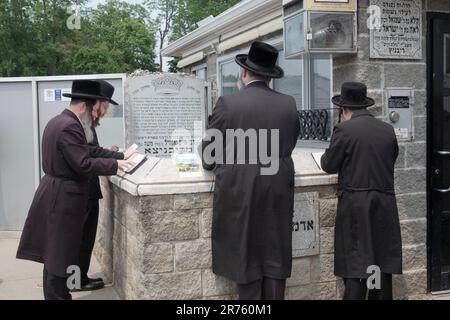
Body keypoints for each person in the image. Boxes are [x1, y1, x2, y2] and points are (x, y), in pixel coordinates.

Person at [16, 80, 134, 300]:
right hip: (63, 198)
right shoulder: (70, 126)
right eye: (101, 107)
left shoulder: (58, 121)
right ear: (87, 105)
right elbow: (83, 164)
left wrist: (114, 158)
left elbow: (83, 156)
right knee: (59, 256)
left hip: (58, 193)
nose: (103, 113)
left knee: (57, 254)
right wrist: (116, 164)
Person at [201, 41, 300, 300]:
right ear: (269, 76)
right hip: (277, 188)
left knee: (246, 259)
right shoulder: (288, 104)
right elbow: (289, 144)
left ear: (245, 73)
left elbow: (208, 156)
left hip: (241, 190)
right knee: (275, 255)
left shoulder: (228, 103)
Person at [321, 82, 402, 300]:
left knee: (357, 267)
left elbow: (328, 164)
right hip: (384, 207)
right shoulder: (387, 130)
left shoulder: (343, 130)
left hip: (356, 207)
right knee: (379, 264)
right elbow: (391, 158)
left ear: (344, 109)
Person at [74, 80, 136, 291]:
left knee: (85, 238)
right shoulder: (79, 123)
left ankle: (80, 277)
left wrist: (110, 151)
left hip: (87, 191)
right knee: (79, 239)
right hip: (82, 192)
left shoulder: (85, 123)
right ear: (96, 104)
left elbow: (93, 149)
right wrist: (119, 156)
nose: (104, 112)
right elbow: (91, 152)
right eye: (105, 107)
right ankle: (75, 281)